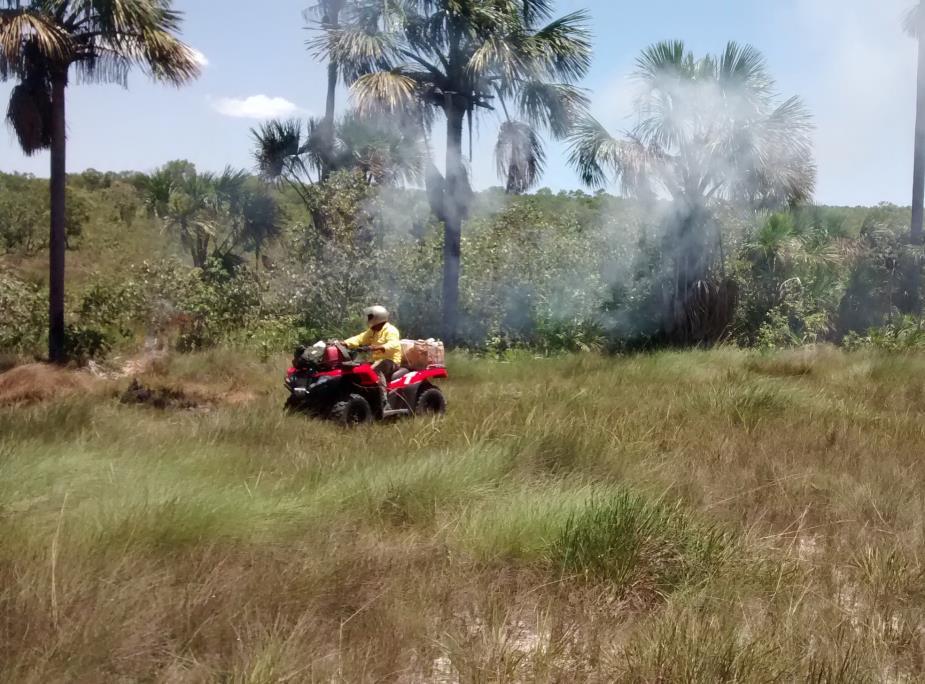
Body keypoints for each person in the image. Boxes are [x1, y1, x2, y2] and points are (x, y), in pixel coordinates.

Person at [342, 305, 402, 408]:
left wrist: (380, 347)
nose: (368, 319)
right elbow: (360, 338)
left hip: (391, 361)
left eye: (370, 317)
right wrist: (344, 343)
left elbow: (394, 344)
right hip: (376, 360)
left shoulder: (391, 330)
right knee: (358, 369)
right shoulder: (373, 331)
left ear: (378, 318)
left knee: (375, 370)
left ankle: (384, 400)